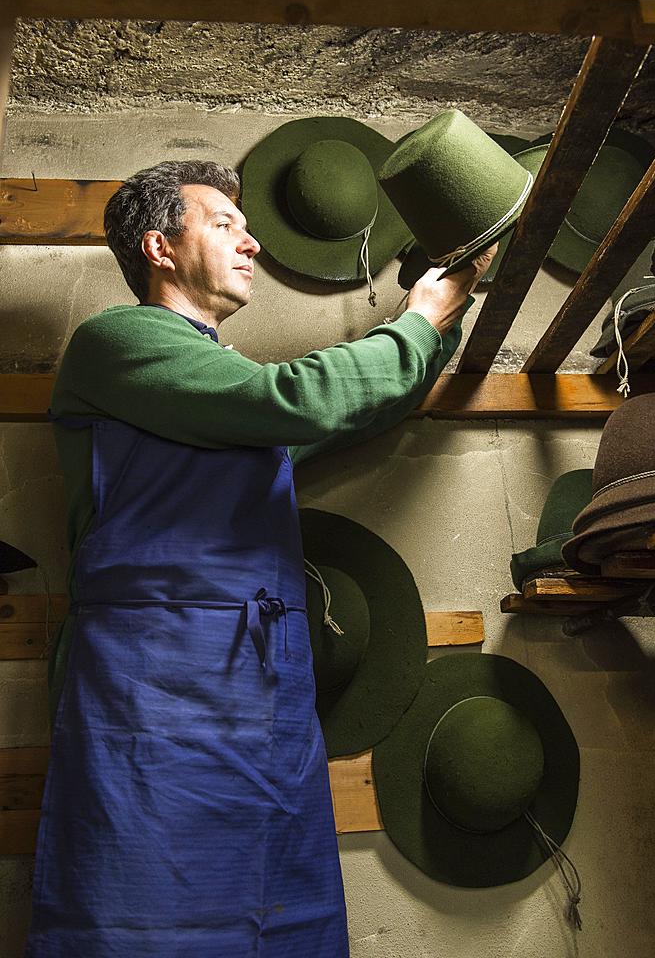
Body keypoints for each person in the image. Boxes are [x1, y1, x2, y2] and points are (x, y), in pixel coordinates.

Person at [25, 159, 495, 958]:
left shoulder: (218, 385)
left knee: (282, 922)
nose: (251, 243)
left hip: (261, 688)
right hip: (154, 686)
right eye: (225, 223)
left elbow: (348, 411)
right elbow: (293, 400)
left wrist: (439, 319)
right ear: (159, 246)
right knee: (136, 914)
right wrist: (411, 325)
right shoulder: (119, 341)